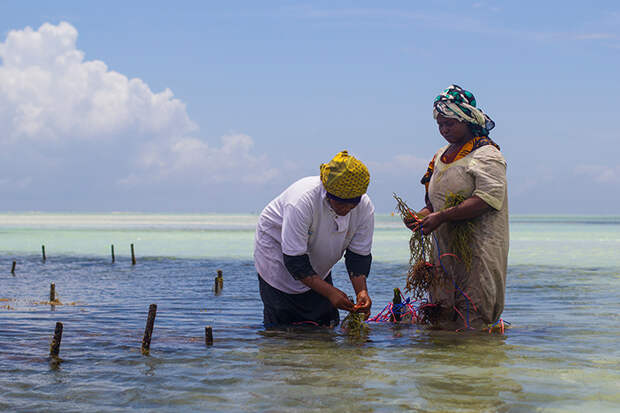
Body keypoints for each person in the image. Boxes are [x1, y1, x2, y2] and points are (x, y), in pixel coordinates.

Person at [406, 85, 509, 329]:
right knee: (442, 317)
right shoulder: (440, 156)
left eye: (450, 123)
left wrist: (442, 216)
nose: (444, 130)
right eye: (440, 124)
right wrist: (420, 217)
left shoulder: (487, 155)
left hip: (478, 253)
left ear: (467, 119)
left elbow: (487, 199)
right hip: (444, 255)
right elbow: (432, 203)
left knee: (474, 318)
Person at [254, 150, 375, 328]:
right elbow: (295, 261)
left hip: (317, 265)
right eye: (341, 202)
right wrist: (330, 292)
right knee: (281, 331)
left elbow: (358, 256)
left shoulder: (364, 207)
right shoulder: (301, 201)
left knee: (327, 325)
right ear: (328, 192)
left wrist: (361, 291)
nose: (347, 208)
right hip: (278, 261)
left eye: (353, 202)